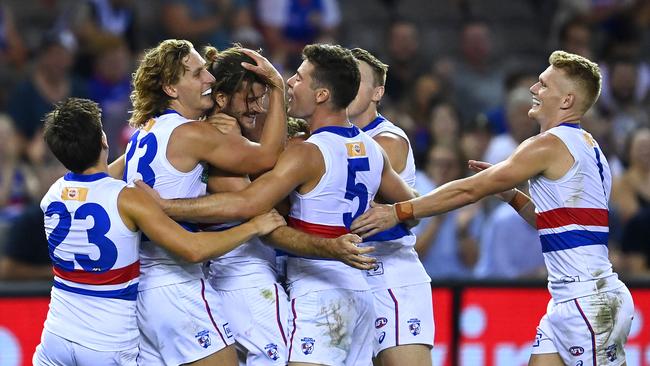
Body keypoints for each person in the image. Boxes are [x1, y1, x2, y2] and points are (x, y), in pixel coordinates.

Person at [352, 50, 635, 366]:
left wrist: (399, 211)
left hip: (587, 301)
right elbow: (552, 223)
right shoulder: (589, 146)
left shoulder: (547, 144)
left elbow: (470, 189)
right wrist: (512, 195)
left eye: (543, 85)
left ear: (566, 101)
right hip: (578, 298)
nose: (533, 90)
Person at [141, 43, 415, 366]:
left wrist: (161, 206)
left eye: (298, 78)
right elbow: (414, 208)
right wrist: (395, 213)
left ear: (322, 95)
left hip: (307, 290)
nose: (288, 84)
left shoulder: (302, 152)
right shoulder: (370, 148)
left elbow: (251, 204)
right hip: (352, 292)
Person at [33, 97, 285, 366]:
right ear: (103, 140)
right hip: (107, 343)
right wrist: (252, 227)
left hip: (55, 336)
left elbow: (105, 175)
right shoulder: (127, 199)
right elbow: (193, 249)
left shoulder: (51, 196)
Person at [123, 38, 288, 366]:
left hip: (144, 285)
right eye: (197, 74)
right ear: (171, 88)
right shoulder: (193, 135)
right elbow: (268, 157)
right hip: (178, 280)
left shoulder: (144, 132)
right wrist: (279, 88)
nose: (209, 79)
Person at [346, 47, 433, 366]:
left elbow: (355, 208)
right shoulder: (328, 138)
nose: (348, 84)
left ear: (377, 92)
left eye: (357, 79)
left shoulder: (387, 140)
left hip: (389, 273)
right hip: (348, 272)